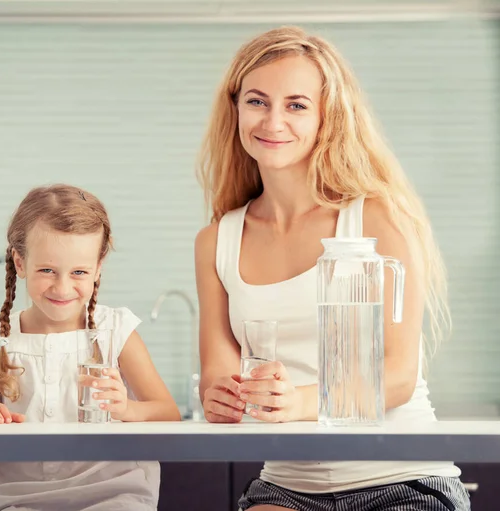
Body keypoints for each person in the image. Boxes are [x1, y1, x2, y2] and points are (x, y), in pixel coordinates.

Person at [194, 26, 470, 511]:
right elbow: (219, 374)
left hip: (403, 477)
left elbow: (400, 375)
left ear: (328, 118)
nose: (273, 120)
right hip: (287, 485)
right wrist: (224, 398)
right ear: (235, 108)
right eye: (257, 101)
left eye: (296, 105)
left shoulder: (378, 219)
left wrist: (296, 402)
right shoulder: (217, 241)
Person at [0, 184, 180, 511]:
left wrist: (126, 410)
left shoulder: (115, 332)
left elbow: (169, 417)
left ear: (98, 267)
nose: (62, 287)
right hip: (15, 500)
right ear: (20, 263)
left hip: (112, 497)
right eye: (47, 270)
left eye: (79, 272)